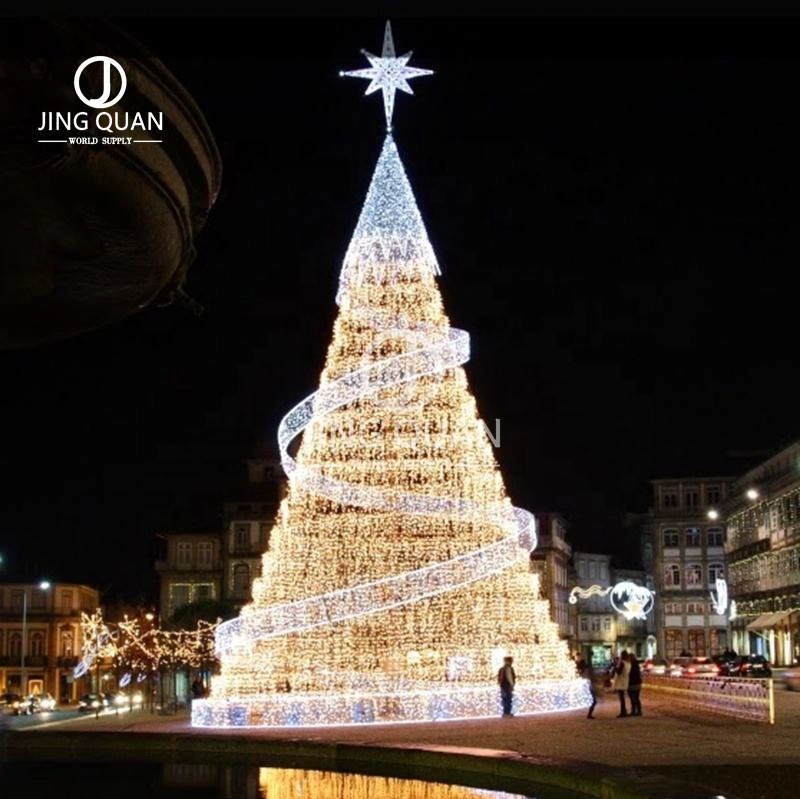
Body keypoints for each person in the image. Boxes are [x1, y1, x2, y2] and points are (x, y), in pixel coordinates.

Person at [612, 651, 631, 717]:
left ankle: (623, 711)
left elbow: (619, 672)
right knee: (622, 697)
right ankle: (623, 711)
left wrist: (615, 667)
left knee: (621, 697)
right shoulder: (628, 663)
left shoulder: (622, 663)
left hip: (620, 681)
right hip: (625, 680)